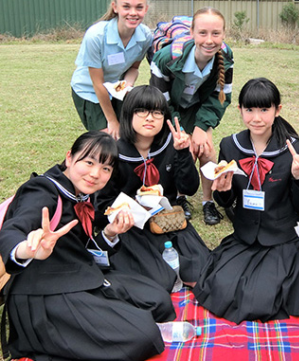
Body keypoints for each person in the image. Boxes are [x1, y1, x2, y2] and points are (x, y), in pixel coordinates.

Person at [0, 131, 175, 361]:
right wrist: (27, 250)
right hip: (43, 293)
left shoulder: (82, 193)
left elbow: (83, 249)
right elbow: (12, 231)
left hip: (80, 276)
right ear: (69, 158)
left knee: (159, 301)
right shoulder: (42, 190)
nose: (95, 174)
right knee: (145, 335)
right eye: (89, 162)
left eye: (106, 168)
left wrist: (110, 233)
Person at [192, 77, 299, 323]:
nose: (256, 118)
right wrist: (223, 191)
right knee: (219, 288)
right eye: (249, 109)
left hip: (281, 239)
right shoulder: (231, 145)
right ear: (239, 110)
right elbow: (226, 202)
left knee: (262, 296)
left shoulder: (294, 150)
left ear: (277, 110)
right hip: (244, 235)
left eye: (264, 109)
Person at [95, 85, 210, 291]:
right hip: (132, 228)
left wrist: (183, 154)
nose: (150, 118)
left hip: (169, 221)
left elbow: (189, 188)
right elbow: (101, 206)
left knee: (201, 273)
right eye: (142, 111)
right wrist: (130, 211)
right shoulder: (113, 153)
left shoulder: (171, 144)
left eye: (157, 112)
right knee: (159, 281)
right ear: (128, 114)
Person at [150, 7, 234, 225]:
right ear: (192, 32)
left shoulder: (226, 56)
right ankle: (180, 197)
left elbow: (220, 96)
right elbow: (162, 101)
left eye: (216, 33)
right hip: (173, 107)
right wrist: (183, 132)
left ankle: (208, 202)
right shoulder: (166, 57)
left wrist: (202, 127)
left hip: (200, 106)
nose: (209, 40)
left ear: (223, 34)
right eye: (203, 33)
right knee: (181, 149)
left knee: (206, 148)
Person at [71, 0, 152, 140]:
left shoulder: (146, 37)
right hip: (90, 91)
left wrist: (126, 86)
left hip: (117, 90)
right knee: (107, 139)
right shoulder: (96, 36)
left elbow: (134, 68)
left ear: (146, 9)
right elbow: (97, 83)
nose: (133, 13)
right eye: (126, 6)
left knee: (128, 136)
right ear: (115, 7)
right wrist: (112, 120)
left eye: (139, 7)